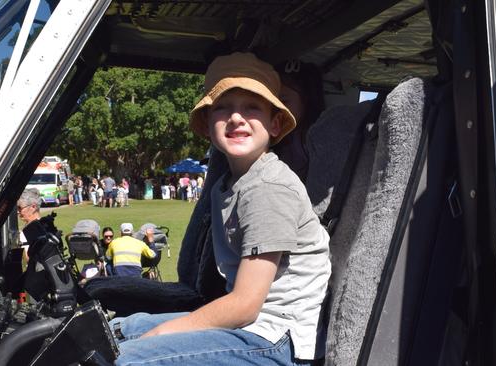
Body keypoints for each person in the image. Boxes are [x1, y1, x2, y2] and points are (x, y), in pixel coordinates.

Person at [110, 52, 331, 365]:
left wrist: (164, 333)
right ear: (207, 123)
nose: (236, 117)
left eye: (252, 107)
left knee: (126, 359)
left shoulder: (269, 188)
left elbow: (245, 305)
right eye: (223, 107)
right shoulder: (227, 185)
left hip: (278, 340)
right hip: (253, 329)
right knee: (119, 329)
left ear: (275, 122)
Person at [272, 60, 326, 181]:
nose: (275, 107)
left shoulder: (315, 140)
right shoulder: (274, 137)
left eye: (284, 101)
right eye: (271, 101)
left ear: (307, 101)